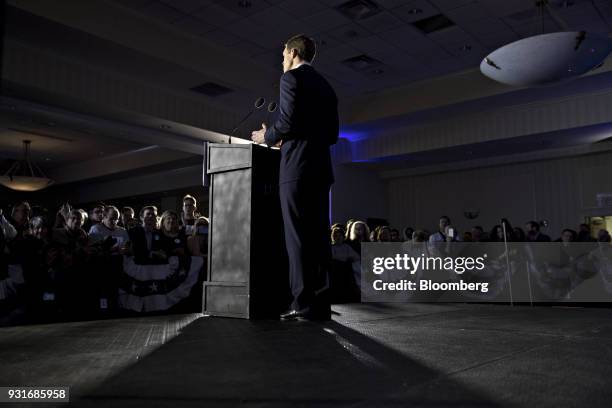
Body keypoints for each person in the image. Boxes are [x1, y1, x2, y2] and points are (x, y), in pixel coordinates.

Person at [251, 34, 338, 321]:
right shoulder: (327, 87)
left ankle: (302, 304)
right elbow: (332, 135)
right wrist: (288, 137)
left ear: (292, 52)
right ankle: (321, 303)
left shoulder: (290, 80)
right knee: (319, 238)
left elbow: (287, 122)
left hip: (296, 171)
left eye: (283, 55)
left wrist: (268, 135)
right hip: (321, 170)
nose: (282, 60)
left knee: (297, 238)